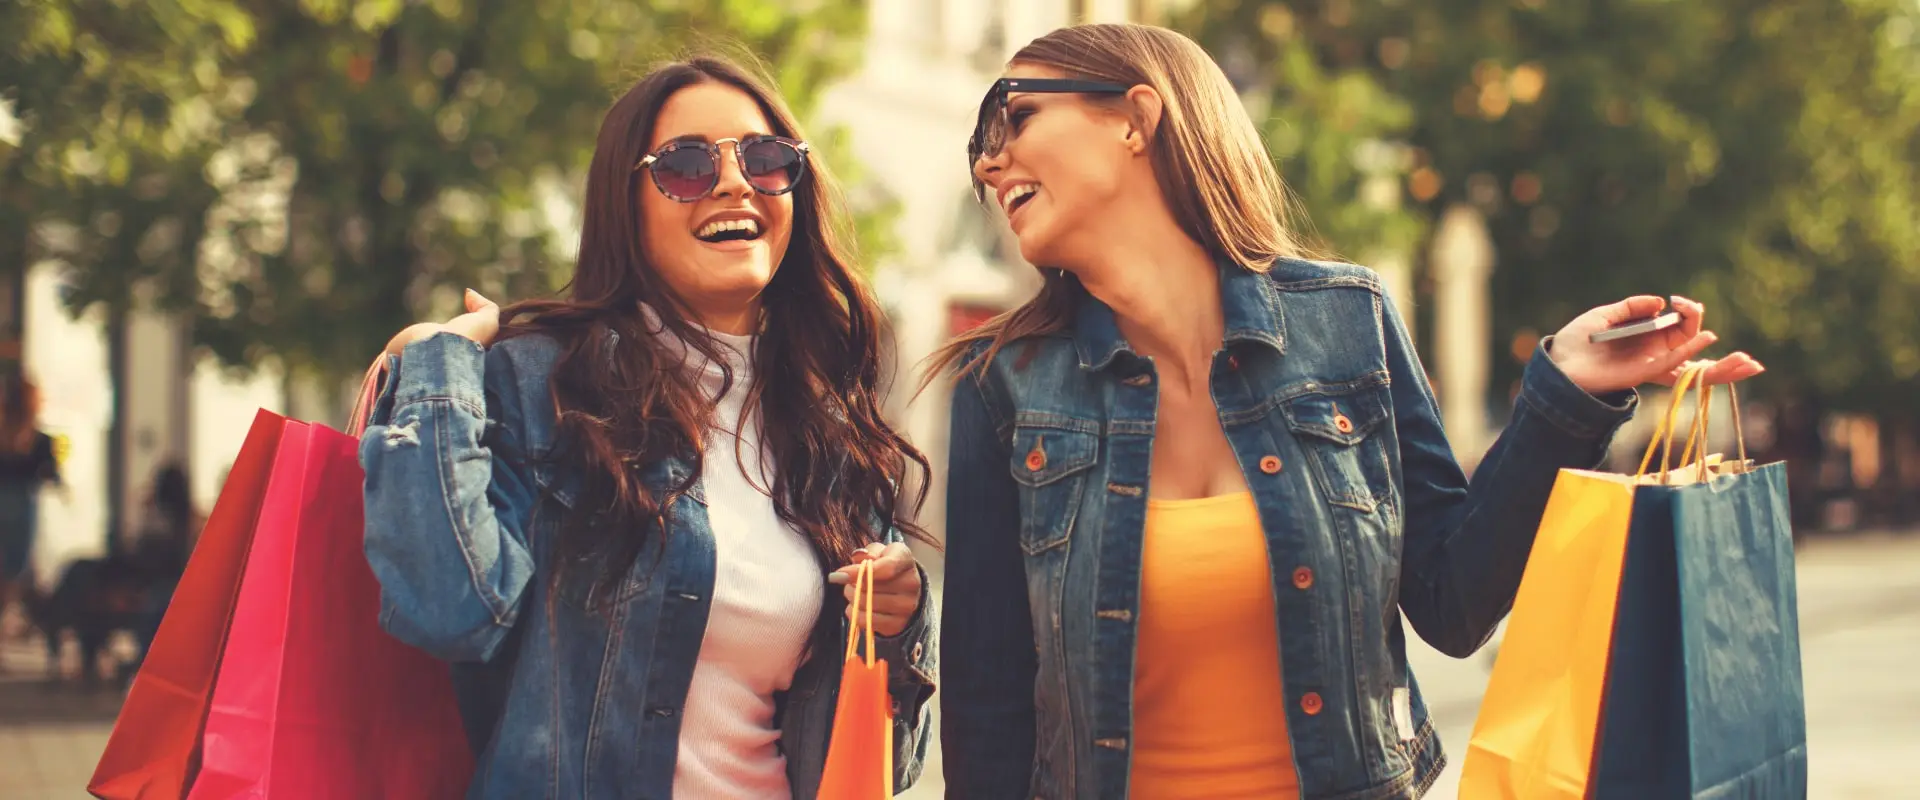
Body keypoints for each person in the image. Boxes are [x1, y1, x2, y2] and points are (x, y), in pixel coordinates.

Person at [933, 23, 1764, 800]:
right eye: (978, 150)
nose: (987, 163)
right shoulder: (1002, 383)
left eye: (1013, 116)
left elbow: (1453, 602)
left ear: (1135, 117)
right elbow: (988, 706)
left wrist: (1567, 395)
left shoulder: (1346, 322)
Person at [360, 53, 937, 798]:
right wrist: (439, 370)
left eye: (766, 159)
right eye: (687, 164)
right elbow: (449, 610)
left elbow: (882, 769)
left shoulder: (828, 439)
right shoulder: (541, 384)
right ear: (623, 204)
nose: (735, 181)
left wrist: (895, 626)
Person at [0, 373, 61, 642]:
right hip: (18, 507)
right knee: (13, 570)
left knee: (12, 571)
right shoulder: (34, 438)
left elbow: (50, 472)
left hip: (19, 506)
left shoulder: (36, 438)